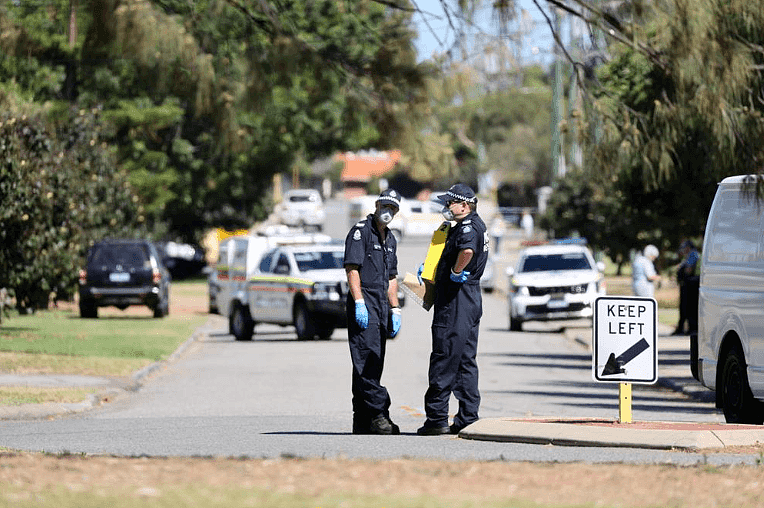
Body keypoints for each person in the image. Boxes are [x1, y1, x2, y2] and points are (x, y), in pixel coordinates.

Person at [417, 183, 488, 436]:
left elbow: (467, 250)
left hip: (456, 299)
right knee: (465, 359)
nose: (446, 207)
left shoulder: (468, 227)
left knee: (445, 356)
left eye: (450, 203)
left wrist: (456, 271)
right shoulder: (473, 225)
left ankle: (436, 418)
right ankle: (468, 416)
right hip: (469, 299)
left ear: (464, 205)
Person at [343, 188, 403, 435]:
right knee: (366, 360)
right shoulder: (361, 232)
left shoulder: (390, 239)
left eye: (392, 208)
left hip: (381, 306)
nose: (387, 212)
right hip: (365, 303)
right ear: (377, 205)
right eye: (384, 206)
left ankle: (362, 419)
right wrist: (358, 301)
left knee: (371, 363)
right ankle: (379, 414)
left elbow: (391, 277)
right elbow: (352, 269)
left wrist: (395, 308)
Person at [672, 240, 700, 335]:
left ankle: (689, 328)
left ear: (688, 247)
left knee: (688, 307)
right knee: (688, 307)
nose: (683, 250)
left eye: (684, 248)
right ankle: (685, 328)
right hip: (691, 285)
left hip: (690, 285)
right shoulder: (692, 255)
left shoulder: (692, 255)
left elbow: (688, 270)